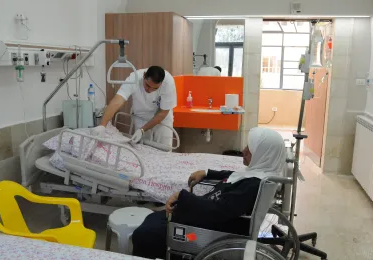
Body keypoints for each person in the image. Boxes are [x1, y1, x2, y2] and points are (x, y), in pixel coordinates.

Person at [131, 127, 287, 259]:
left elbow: (218, 210)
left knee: (145, 235)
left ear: (264, 155)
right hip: (204, 220)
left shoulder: (252, 185)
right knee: (152, 220)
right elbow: (233, 177)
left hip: (201, 234)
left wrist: (182, 196)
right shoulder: (257, 175)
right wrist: (207, 172)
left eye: (251, 150)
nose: (244, 150)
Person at [92, 66, 177, 147]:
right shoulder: (134, 78)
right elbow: (117, 101)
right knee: (142, 149)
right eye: (147, 85)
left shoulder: (168, 82)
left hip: (162, 119)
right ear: (144, 76)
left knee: (164, 149)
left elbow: (163, 113)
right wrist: (102, 125)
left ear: (161, 84)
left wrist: (142, 130)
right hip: (141, 116)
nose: (150, 90)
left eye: (154, 89)